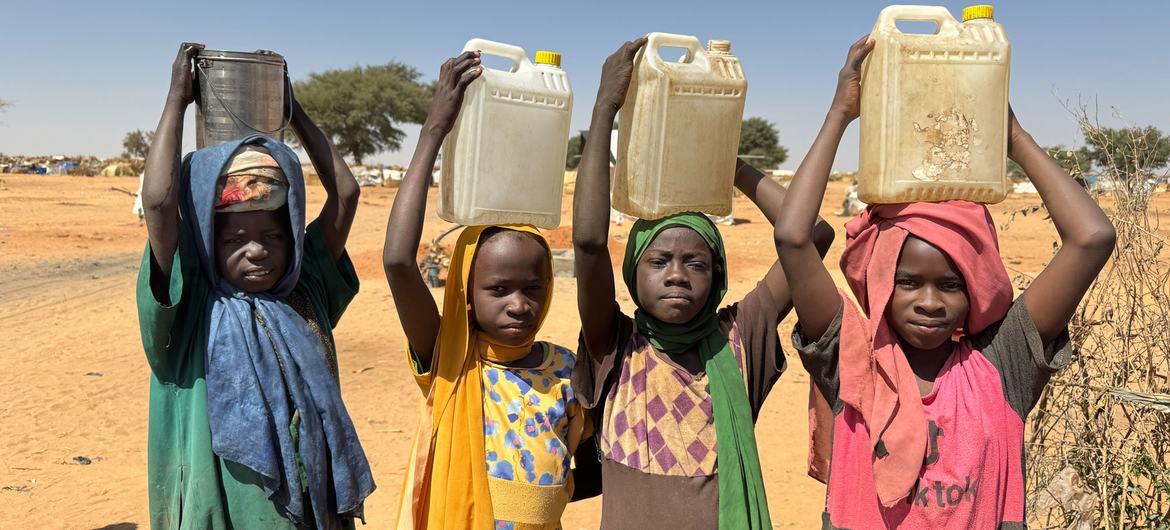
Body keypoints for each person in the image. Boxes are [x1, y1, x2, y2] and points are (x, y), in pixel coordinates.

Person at [774, 36, 1117, 528]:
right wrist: (839, 115)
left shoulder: (1001, 367)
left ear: (974, 290)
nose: (929, 302)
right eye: (908, 282)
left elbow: (1092, 238)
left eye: (950, 285)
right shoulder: (852, 362)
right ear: (880, 284)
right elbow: (792, 238)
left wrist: (1013, 136)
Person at [570, 38, 835, 529]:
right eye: (659, 261)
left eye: (696, 263)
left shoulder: (741, 335)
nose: (676, 274)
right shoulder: (616, 344)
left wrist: (725, 163)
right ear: (632, 272)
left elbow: (813, 235)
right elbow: (587, 243)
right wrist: (605, 108)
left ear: (717, 277)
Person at [136, 43, 374, 528]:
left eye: (272, 235)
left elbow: (345, 194)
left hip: (310, 510)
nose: (257, 250)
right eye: (236, 238)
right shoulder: (193, 304)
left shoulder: (303, 290)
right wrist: (177, 101)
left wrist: (292, 111)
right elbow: (160, 204)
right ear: (208, 241)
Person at [383, 51, 598, 530]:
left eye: (533, 288)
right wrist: (433, 132)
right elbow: (398, 262)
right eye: (498, 289)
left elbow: (589, 467)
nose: (519, 304)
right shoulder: (452, 359)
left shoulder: (564, 368)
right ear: (466, 292)